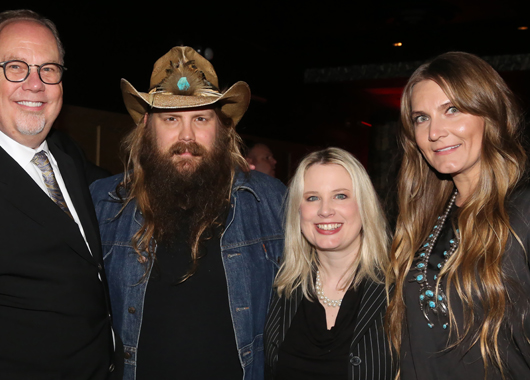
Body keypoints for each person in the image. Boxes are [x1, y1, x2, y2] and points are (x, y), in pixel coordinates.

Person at [89, 46, 286, 380]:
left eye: (200, 118)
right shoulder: (104, 203)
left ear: (223, 128)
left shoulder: (269, 202)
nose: (186, 136)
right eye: (171, 119)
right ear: (147, 126)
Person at [0, 10, 119, 379]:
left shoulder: (66, 153)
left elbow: (120, 193)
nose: (35, 84)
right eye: (15, 67)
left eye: (48, 68)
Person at [386, 51, 530, 379]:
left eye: (451, 110)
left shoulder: (523, 214)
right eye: (421, 118)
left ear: (490, 113)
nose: (434, 132)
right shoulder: (423, 217)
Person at [264, 147, 394, 379]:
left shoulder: (400, 286)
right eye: (312, 198)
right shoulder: (281, 286)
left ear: (365, 205)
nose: (325, 210)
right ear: (298, 210)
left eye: (340, 196)